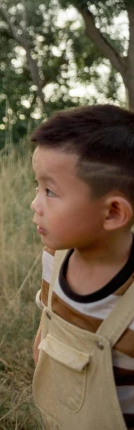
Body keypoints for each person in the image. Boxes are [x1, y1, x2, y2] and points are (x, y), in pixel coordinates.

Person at [30, 105, 134, 429]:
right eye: (37, 187)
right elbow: (46, 329)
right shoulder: (54, 258)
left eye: (50, 191)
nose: (35, 204)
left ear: (113, 213)